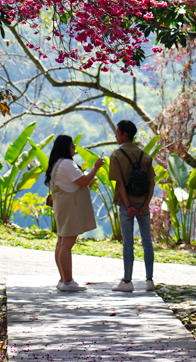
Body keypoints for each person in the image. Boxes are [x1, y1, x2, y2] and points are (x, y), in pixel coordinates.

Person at [45, 134, 104, 292]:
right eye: (72, 146)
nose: (74, 149)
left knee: (62, 242)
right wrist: (95, 167)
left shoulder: (57, 163)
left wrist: (89, 176)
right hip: (69, 205)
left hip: (62, 204)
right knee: (67, 243)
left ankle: (63, 279)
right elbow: (84, 182)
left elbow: (79, 182)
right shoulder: (66, 164)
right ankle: (68, 281)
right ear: (66, 147)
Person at [108, 119, 155, 292]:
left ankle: (127, 281)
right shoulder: (145, 156)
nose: (116, 136)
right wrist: (145, 205)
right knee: (147, 241)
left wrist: (128, 206)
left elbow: (120, 184)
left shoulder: (116, 155)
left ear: (124, 134)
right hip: (143, 202)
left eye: (117, 132)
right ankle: (149, 280)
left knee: (128, 242)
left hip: (126, 204)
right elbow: (151, 182)